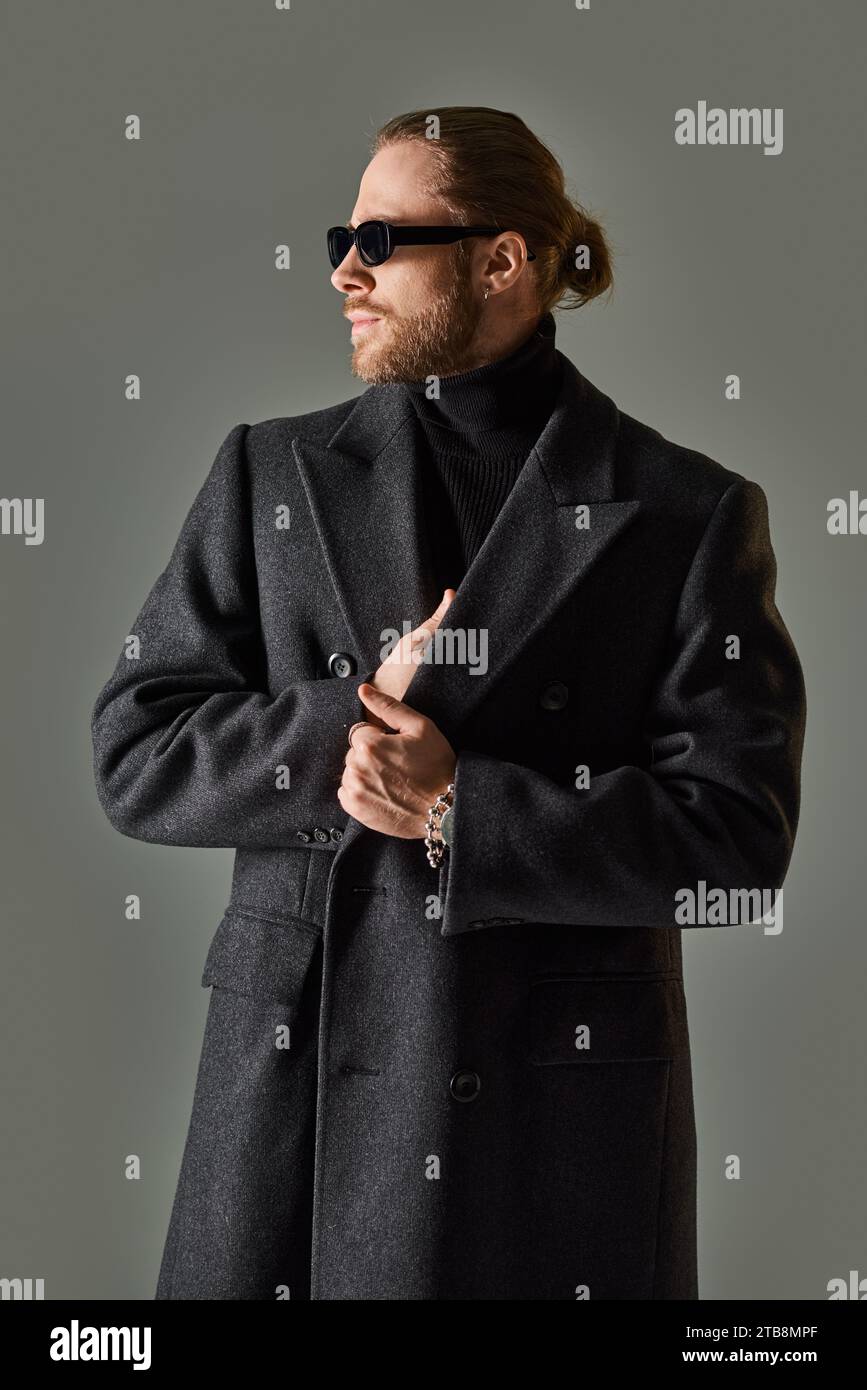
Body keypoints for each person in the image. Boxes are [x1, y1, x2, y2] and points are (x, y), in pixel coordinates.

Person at [91, 105, 806, 1300]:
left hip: (550, 1117)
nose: (344, 270)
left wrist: (457, 806)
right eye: (340, 235)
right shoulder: (270, 472)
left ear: (503, 260)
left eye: (381, 238)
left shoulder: (685, 510)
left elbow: (735, 842)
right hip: (298, 1100)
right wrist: (343, 737)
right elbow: (135, 748)